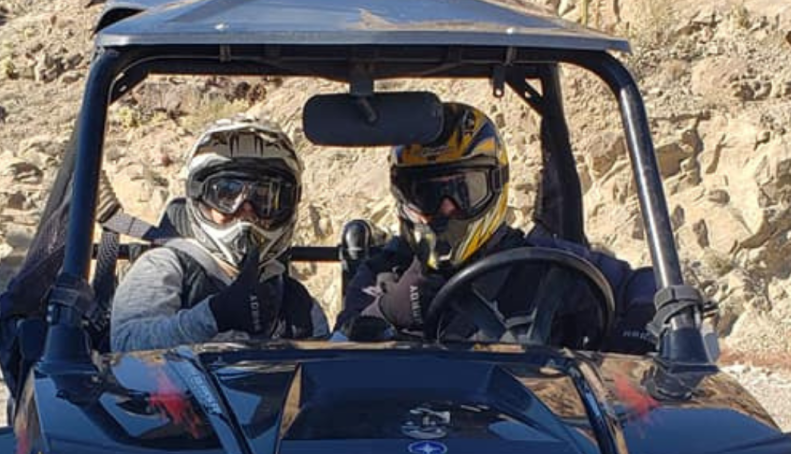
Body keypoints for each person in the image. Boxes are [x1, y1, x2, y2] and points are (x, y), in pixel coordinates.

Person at [335, 102, 656, 353]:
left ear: (495, 185)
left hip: (526, 429)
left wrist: (638, 328)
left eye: (464, 191)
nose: (447, 208)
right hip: (406, 427)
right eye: (427, 194)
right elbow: (337, 353)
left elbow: (646, 284)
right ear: (403, 197)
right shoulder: (383, 273)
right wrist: (388, 312)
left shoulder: (546, 263)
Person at [111, 116, 328, 351]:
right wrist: (215, 315)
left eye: (264, 198)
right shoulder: (166, 267)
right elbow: (125, 343)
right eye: (227, 194)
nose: (246, 211)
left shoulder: (294, 299)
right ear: (200, 197)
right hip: (178, 388)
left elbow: (324, 374)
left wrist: (356, 333)